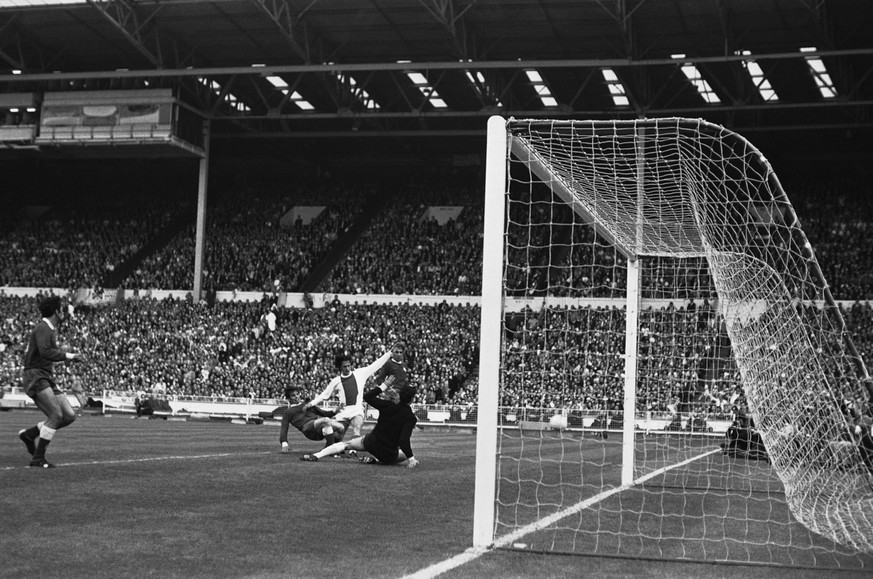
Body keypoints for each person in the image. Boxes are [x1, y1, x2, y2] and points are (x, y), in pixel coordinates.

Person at [17, 295, 87, 468]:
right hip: (36, 375)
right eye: (62, 308)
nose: (64, 311)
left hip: (44, 376)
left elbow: (48, 353)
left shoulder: (48, 329)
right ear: (56, 311)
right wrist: (70, 356)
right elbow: (45, 352)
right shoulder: (43, 328)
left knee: (69, 416)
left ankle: (30, 434)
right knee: (55, 415)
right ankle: (38, 459)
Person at [301, 377, 419, 468]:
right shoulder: (410, 417)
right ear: (412, 399)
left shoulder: (388, 405)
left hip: (371, 442)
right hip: (387, 453)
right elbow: (404, 440)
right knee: (403, 455)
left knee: (346, 444)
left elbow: (367, 397)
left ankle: (316, 455)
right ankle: (376, 461)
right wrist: (412, 458)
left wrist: (384, 386)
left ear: (400, 395)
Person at [304, 346, 395, 443]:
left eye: (348, 365)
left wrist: (389, 353)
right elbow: (324, 395)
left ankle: (353, 451)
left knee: (356, 428)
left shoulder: (360, 374)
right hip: (343, 412)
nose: (347, 368)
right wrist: (311, 404)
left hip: (356, 410)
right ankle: (334, 446)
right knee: (336, 438)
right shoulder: (336, 381)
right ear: (340, 368)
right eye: (344, 366)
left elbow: (375, 365)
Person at [278, 386, 348, 453]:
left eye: (297, 394)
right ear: (288, 399)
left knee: (341, 427)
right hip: (307, 428)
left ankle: (331, 448)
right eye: (293, 395)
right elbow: (284, 427)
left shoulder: (308, 405)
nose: (296, 396)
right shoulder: (288, 412)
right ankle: (332, 451)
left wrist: (335, 410)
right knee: (325, 420)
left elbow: (325, 413)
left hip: (318, 428)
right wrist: (284, 443)